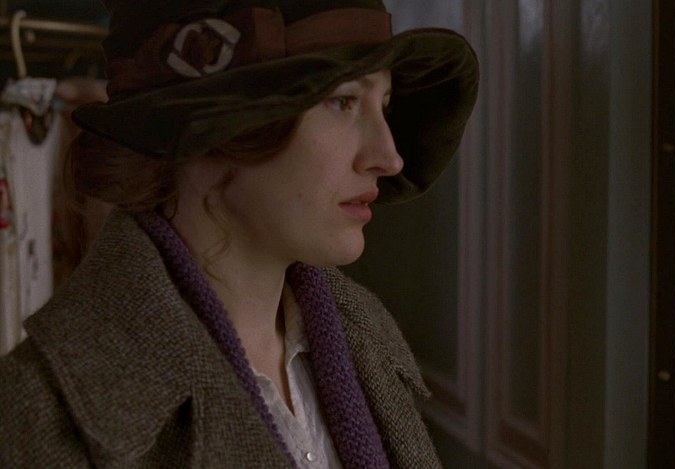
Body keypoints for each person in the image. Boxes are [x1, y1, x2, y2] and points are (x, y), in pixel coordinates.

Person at [0, 1, 478, 468]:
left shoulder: (367, 336)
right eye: (342, 101)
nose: (389, 157)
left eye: (385, 105)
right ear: (214, 125)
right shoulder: (36, 420)